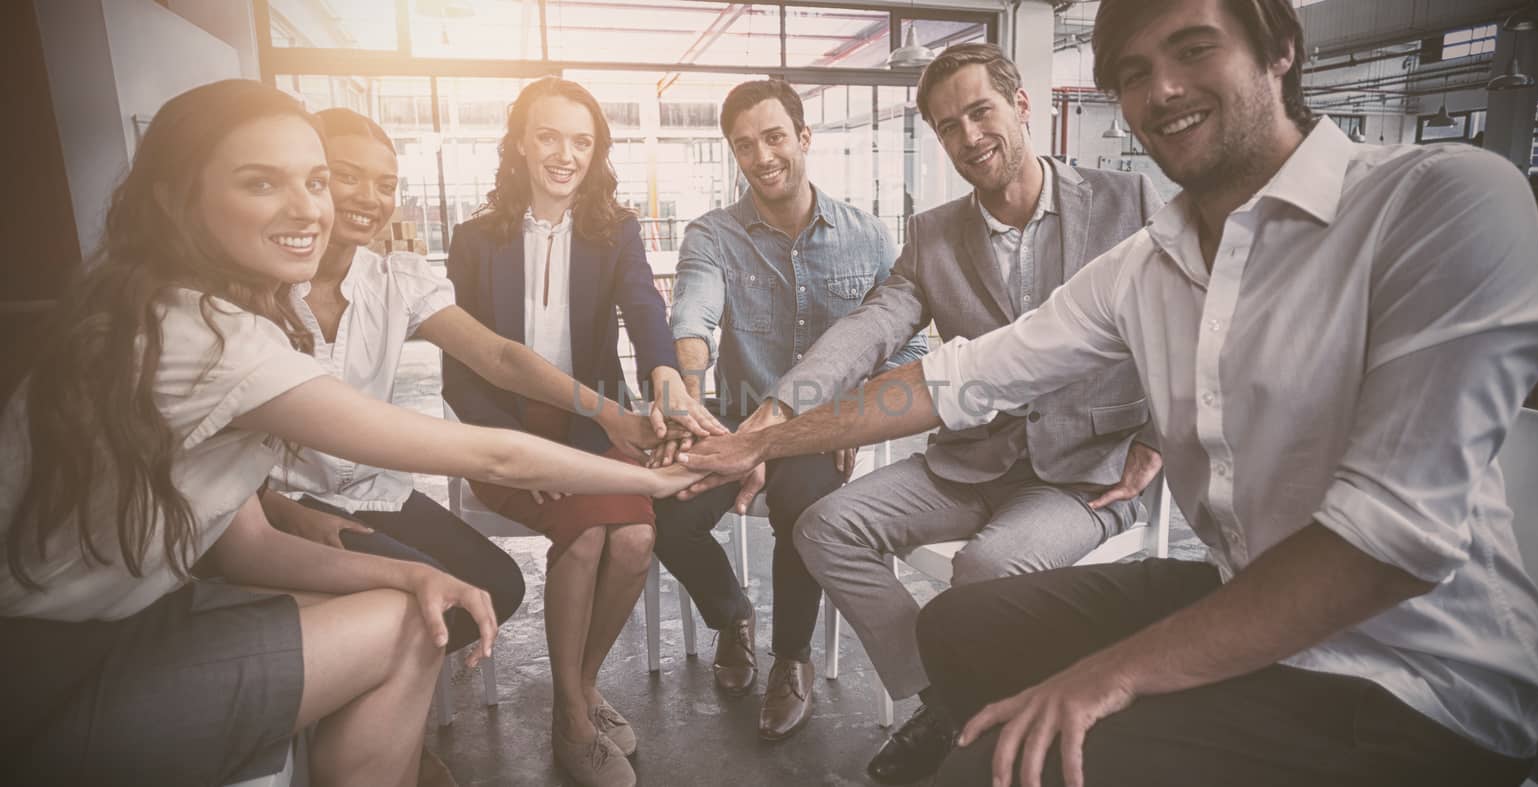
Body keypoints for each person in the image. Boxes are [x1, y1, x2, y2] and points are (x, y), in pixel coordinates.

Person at [678, 1, 1538, 785]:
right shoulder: (1147, 263)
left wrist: (1105, 677)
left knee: (985, 761)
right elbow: (959, 374)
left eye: (1193, 48)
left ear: (1280, 45)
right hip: (1233, 580)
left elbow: (1384, 544)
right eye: (1134, 73)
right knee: (956, 631)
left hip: (1413, 675)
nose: (1163, 90)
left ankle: (1008, 745)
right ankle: (959, 710)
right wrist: (762, 436)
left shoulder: (1442, 200)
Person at [0, 79, 701, 787]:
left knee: (450, 591)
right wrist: (659, 474)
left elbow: (246, 542)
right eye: (262, 183)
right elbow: (487, 441)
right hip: (50, 665)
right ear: (177, 198)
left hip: (144, 616)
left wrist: (415, 570)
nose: (312, 206)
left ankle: (455, 729)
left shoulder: (194, 309)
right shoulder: (207, 336)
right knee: (410, 621)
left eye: (315, 182)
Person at [683, 44, 1163, 782]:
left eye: (981, 111)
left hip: (1084, 471)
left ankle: (960, 710)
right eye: (948, 126)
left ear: (1021, 105)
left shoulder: (1127, 202)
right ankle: (948, 699)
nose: (968, 136)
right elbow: (866, 331)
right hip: (970, 459)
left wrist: (1159, 435)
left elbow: (1193, 322)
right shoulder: (935, 233)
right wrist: (775, 414)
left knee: (985, 568)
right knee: (823, 526)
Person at [443, 77, 716, 787]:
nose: (565, 153)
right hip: (503, 431)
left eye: (582, 140)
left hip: (594, 423)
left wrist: (665, 374)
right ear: (521, 143)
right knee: (591, 531)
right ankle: (572, 718)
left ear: (597, 153)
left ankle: (579, 690)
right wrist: (508, 447)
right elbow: (461, 373)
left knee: (635, 534)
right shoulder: (474, 241)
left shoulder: (615, 231)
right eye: (549, 135)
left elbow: (645, 311)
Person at [651, 78, 927, 742]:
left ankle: (792, 659)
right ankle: (732, 619)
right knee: (665, 506)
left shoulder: (866, 237)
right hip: (735, 410)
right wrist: (686, 390)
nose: (762, 155)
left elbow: (907, 341)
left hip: (818, 426)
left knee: (803, 509)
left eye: (774, 137)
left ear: (804, 138)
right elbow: (693, 313)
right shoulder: (713, 233)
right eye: (744, 145)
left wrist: (859, 412)